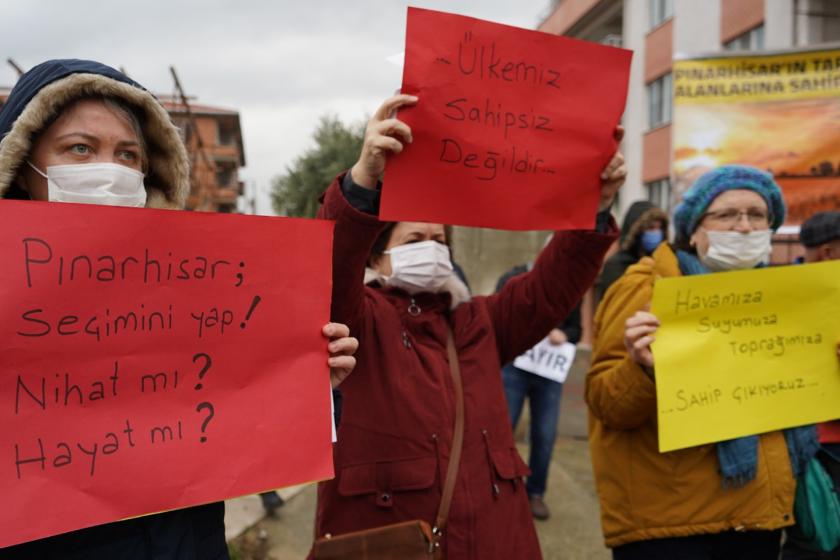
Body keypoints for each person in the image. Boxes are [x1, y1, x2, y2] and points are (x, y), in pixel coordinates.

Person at [0, 59, 358, 560]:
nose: (110, 170)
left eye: (127, 154)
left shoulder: (194, 297)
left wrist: (306, 385)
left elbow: (243, 430)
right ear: (23, 165)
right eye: (80, 148)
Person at [310, 93, 626, 559]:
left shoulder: (478, 320)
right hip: (389, 539)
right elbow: (332, 270)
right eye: (415, 239)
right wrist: (364, 182)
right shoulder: (363, 317)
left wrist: (592, 208)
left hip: (495, 538)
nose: (432, 247)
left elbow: (550, 287)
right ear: (379, 256)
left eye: (440, 240)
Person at [587, 164, 824, 559]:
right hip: (672, 529)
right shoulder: (646, 288)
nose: (744, 227)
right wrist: (642, 369)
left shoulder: (784, 303)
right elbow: (605, 404)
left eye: (757, 215)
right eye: (727, 215)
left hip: (759, 520)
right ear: (694, 230)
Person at [496, 259, 581, 521]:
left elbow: (577, 330)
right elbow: (496, 313)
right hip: (516, 365)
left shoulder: (570, 288)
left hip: (548, 373)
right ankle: (496, 487)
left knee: (544, 433)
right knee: (502, 426)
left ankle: (535, 493)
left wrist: (565, 335)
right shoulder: (514, 277)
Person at [783, 210, 840, 560]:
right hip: (821, 444)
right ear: (830, 252)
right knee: (816, 540)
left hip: (802, 439)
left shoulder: (780, 293)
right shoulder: (800, 296)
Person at [595, 200, 668, 302]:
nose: (656, 233)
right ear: (637, 231)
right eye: (651, 228)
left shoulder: (665, 262)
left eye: (659, 228)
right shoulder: (616, 266)